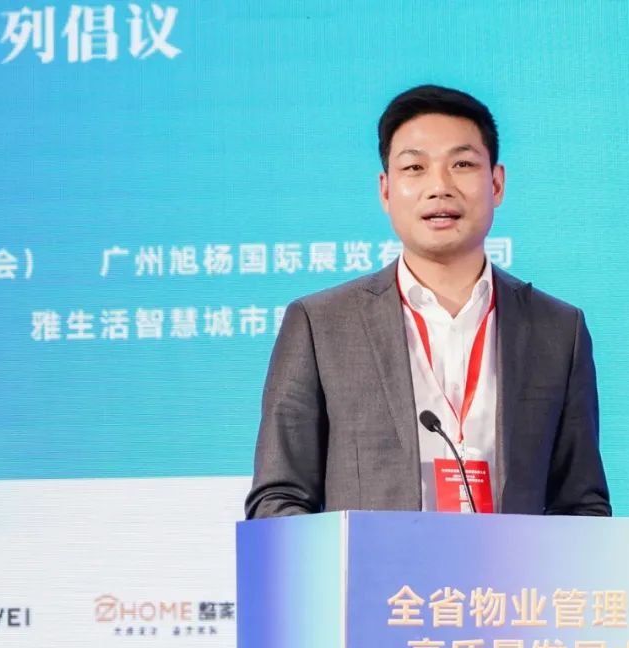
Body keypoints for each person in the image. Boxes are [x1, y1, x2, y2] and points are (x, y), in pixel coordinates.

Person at [245, 85, 610, 518]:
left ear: (496, 183)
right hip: (376, 566)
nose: (439, 187)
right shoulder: (321, 325)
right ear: (385, 190)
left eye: (462, 164)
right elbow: (277, 498)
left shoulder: (558, 330)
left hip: (510, 565)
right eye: (415, 167)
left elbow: (581, 504)